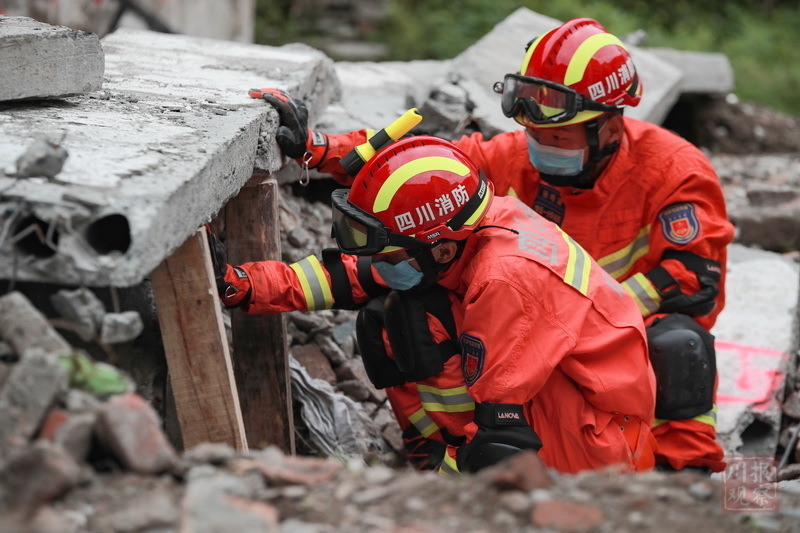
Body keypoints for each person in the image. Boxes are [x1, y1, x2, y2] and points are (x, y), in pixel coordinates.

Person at [251, 17, 734, 473]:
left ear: (610, 123)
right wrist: (320, 149)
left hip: (616, 340)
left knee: (681, 342)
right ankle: (441, 457)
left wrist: (580, 311)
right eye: (534, 133)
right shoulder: (514, 157)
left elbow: (694, 283)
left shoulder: (674, 170)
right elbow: (425, 166)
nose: (540, 145)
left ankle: (682, 478)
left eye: (558, 134)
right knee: (399, 312)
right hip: (523, 323)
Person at [213, 134, 657, 474]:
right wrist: (249, 285)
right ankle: (435, 456)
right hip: (569, 402)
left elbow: (500, 434)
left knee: (419, 323)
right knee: (391, 311)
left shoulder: (505, 278)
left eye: (390, 253)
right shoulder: (472, 227)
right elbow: (356, 274)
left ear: (440, 250)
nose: (379, 265)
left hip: (597, 447)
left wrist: (445, 498)